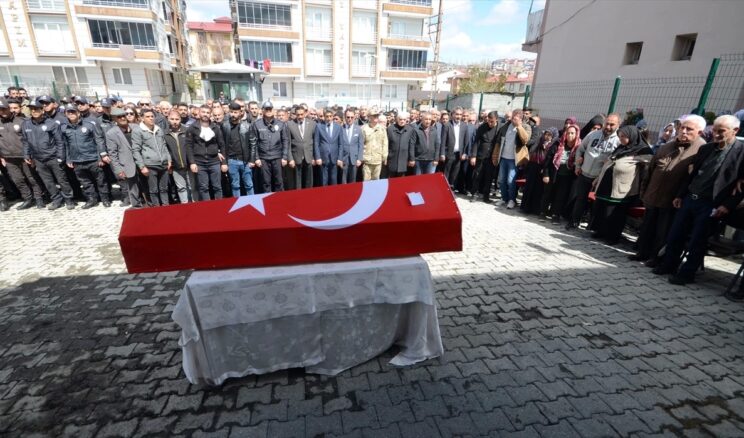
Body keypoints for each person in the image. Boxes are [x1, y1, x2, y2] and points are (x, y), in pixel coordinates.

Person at [653, 115, 743, 285]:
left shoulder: (741, 153)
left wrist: (727, 205)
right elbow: (692, 175)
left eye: (721, 131)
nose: (716, 134)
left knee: (697, 241)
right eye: (714, 130)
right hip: (690, 199)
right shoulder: (706, 149)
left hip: (711, 204)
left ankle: (686, 274)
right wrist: (680, 195)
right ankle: (668, 265)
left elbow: (741, 186)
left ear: (735, 131)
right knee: (676, 235)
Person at [630, 114, 706, 266]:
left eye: (689, 129)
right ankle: (642, 252)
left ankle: (656, 258)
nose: (683, 131)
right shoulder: (666, 146)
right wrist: (644, 191)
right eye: (682, 127)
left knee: (663, 232)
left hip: (673, 200)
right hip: (653, 195)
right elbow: (650, 170)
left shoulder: (702, 150)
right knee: (647, 227)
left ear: (700, 132)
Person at [589, 125, 652, 244]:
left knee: (615, 213)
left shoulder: (642, 151)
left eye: (624, 136)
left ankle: (612, 236)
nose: (621, 139)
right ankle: (600, 231)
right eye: (620, 136)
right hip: (606, 185)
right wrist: (598, 179)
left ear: (632, 136)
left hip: (621, 188)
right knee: (601, 208)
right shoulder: (621, 148)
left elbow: (650, 161)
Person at [566, 113, 621, 229]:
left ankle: (592, 226)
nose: (608, 127)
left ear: (618, 125)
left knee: (596, 203)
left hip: (599, 178)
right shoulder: (593, 134)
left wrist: (600, 177)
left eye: (612, 125)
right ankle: (574, 221)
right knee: (580, 199)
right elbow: (580, 149)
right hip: (584, 173)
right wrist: (577, 166)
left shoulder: (618, 141)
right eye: (607, 123)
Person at [22, 99, 75, 210]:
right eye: (32, 109)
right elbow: (26, 141)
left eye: (36, 109)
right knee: (48, 181)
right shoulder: (26, 124)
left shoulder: (51, 123)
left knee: (62, 180)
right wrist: (27, 155)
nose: (34, 111)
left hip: (53, 157)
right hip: (38, 159)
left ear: (42, 110)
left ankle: (69, 199)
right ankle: (56, 200)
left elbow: (60, 141)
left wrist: (60, 157)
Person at [61, 104, 111, 209]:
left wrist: (100, 156)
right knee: (85, 182)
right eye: (68, 112)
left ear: (78, 113)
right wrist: (69, 158)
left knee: (100, 180)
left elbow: (98, 140)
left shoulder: (89, 124)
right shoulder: (64, 128)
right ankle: (91, 199)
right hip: (77, 160)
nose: (71, 114)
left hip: (92, 158)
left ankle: (105, 199)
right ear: (65, 114)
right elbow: (66, 145)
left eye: (73, 112)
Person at [0, 98, 43, 210]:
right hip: (8, 157)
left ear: (9, 109)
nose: (2, 112)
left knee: (32, 178)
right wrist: (1, 156)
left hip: (24, 156)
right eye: (0, 110)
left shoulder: (22, 121)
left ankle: (39, 198)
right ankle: (28, 198)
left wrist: (30, 154)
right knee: (17, 180)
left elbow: (29, 139)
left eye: (4, 109)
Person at [491, 110, 532, 209]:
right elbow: (498, 142)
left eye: (516, 117)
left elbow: (525, 140)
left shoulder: (526, 127)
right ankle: (504, 198)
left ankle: (511, 200)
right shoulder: (505, 126)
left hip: (514, 159)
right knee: (501, 180)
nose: (513, 118)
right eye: (513, 116)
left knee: (510, 181)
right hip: (503, 157)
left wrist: (519, 126)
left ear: (520, 118)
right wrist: (495, 156)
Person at [132, 109, 172, 206]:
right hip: (150, 165)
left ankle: (166, 207)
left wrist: (169, 159)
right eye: (148, 116)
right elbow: (136, 150)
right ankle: (156, 209)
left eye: (152, 116)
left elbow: (164, 145)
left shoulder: (158, 129)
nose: (151, 118)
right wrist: (142, 166)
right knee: (153, 190)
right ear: (142, 118)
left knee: (164, 188)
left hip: (163, 164)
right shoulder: (138, 131)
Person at [542, 124, 581, 223]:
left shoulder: (579, 147)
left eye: (572, 133)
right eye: (568, 133)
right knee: (548, 193)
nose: (570, 135)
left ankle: (556, 214)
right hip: (553, 173)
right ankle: (543, 212)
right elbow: (548, 160)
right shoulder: (558, 144)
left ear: (576, 134)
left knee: (561, 196)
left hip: (567, 176)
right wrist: (546, 174)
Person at [187, 105, 226, 200]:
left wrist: (224, 163)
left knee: (217, 187)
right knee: (204, 188)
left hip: (214, 162)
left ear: (210, 114)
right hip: (199, 163)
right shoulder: (192, 128)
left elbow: (222, 144)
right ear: (199, 113)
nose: (205, 114)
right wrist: (192, 162)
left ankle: (219, 207)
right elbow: (189, 146)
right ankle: (208, 209)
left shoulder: (215, 128)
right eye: (203, 112)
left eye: (208, 112)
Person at [106, 108, 142, 208]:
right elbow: (113, 154)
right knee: (133, 187)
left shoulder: (136, 127)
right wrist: (118, 169)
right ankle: (137, 206)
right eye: (119, 117)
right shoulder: (111, 133)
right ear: (114, 119)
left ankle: (148, 204)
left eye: (124, 115)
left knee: (145, 184)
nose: (122, 118)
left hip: (142, 162)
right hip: (127, 164)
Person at [249, 101, 288, 192]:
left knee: (279, 182)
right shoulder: (257, 124)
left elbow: (285, 141)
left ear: (273, 110)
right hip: (264, 159)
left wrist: (285, 157)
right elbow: (254, 143)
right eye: (266, 109)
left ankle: (280, 203)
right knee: (266, 183)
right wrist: (257, 158)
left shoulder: (281, 124)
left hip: (277, 158)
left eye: (270, 109)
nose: (268, 111)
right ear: (262, 110)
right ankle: (268, 203)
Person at [520, 127, 557, 215]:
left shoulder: (554, 146)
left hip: (543, 169)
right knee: (529, 187)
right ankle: (526, 207)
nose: (547, 137)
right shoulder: (539, 142)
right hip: (534, 166)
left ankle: (535, 209)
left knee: (538, 190)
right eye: (546, 134)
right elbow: (532, 152)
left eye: (550, 135)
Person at [223, 102, 256, 196]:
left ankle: (252, 204)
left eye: (235, 112)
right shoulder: (225, 126)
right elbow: (222, 144)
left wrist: (252, 160)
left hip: (245, 161)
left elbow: (253, 143)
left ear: (240, 113)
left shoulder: (247, 126)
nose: (233, 114)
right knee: (235, 185)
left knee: (249, 185)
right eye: (231, 112)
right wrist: (225, 161)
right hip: (232, 161)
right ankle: (237, 207)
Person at [164, 109, 196, 203]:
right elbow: (165, 150)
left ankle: (195, 205)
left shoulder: (187, 131)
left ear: (180, 119)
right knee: (181, 188)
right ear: (168, 119)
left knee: (192, 187)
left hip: (189, 165)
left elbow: (193, 147)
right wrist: (169, 162)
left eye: (177, 119)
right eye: (172, 119)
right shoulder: (165, 134)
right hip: (176, 166)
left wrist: (192, 162)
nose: (174, 121)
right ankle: (185, 207)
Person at [469, 111, 500, 202]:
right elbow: (476, 142)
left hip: (492, 156)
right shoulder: (482, 127)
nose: (490, 123)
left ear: (496, 120)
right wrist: (473, 155)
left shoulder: (500, 128)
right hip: (481, 155)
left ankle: (486, 196)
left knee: (489, 177)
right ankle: (474, 194)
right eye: (488, 121)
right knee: (477, 175)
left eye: (492, 122)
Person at [287, 106, 316, 189]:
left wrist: (314, 157)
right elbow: (288, 143)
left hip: (309, 157)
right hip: (296, 157)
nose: (300, 116)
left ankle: (308, 198)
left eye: (301, 114)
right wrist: (290, 159)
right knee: (297, 182)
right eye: (298, 114)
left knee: (309, 181)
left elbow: (315, 142)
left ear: (305, 113)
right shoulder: (290, 124)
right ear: (295, 114)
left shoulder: (312, 124)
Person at [442, 107, 471, 189]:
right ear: (453, 115)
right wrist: (442, 153)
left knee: (455, 173)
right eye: (457, 114)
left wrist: (465, 153)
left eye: (460, 114)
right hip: (449, 154)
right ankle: (444, 189)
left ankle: (451, 189)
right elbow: (443, 141)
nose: (458, 116)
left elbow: (466, 141)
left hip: (459, 154)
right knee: (446, 173)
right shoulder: (447, 125)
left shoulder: (464, 126)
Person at [313, 108, 343, 186]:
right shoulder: (319, 127)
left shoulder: (338, 127)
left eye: (330, 116)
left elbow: (340, 144)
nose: (329, 118)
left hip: (334, 158)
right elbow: (316, 143)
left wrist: (340, 158)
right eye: (327, 116)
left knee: (334, 180)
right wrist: (318, 157)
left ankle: (334, 197)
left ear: (333, 116)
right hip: (323, 158)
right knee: (324, 180)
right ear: (324, 116)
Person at [361, 109, 388, 181]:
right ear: (369, 117)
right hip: (367, 160)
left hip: (378, 159)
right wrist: (361, 157)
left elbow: (385, 143)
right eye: (374, 116)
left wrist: (384, 157)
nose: (376, 117)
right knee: (366, 181)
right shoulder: (364, 128)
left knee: (376, 181)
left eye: (377, 116)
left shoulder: (382, 129)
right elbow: (361, 144)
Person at [387, 112, 415, 178]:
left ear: (406, 120)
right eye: (400, 119)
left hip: (404, 159)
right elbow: (387, 144)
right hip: (392, 159)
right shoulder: (390, 129)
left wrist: (411, 159)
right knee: (391, 180)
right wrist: (386, 158)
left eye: (404, 119)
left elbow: (411, 145)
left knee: (401, 181)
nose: (402, 121)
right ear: (397, 119)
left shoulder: (410, 130)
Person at [339, 109, 364, 183]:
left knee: (353, 181)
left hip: (354, 159)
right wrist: (339, 159)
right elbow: (338, 145)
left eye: (351, 117)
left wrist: (359, 158)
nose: (350, 119)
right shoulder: (340, 129)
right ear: (345, 117)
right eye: (348, 117)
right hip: (344, 159)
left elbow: (361, 145)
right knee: (343, 181)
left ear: (354, 117)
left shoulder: (358, 129)